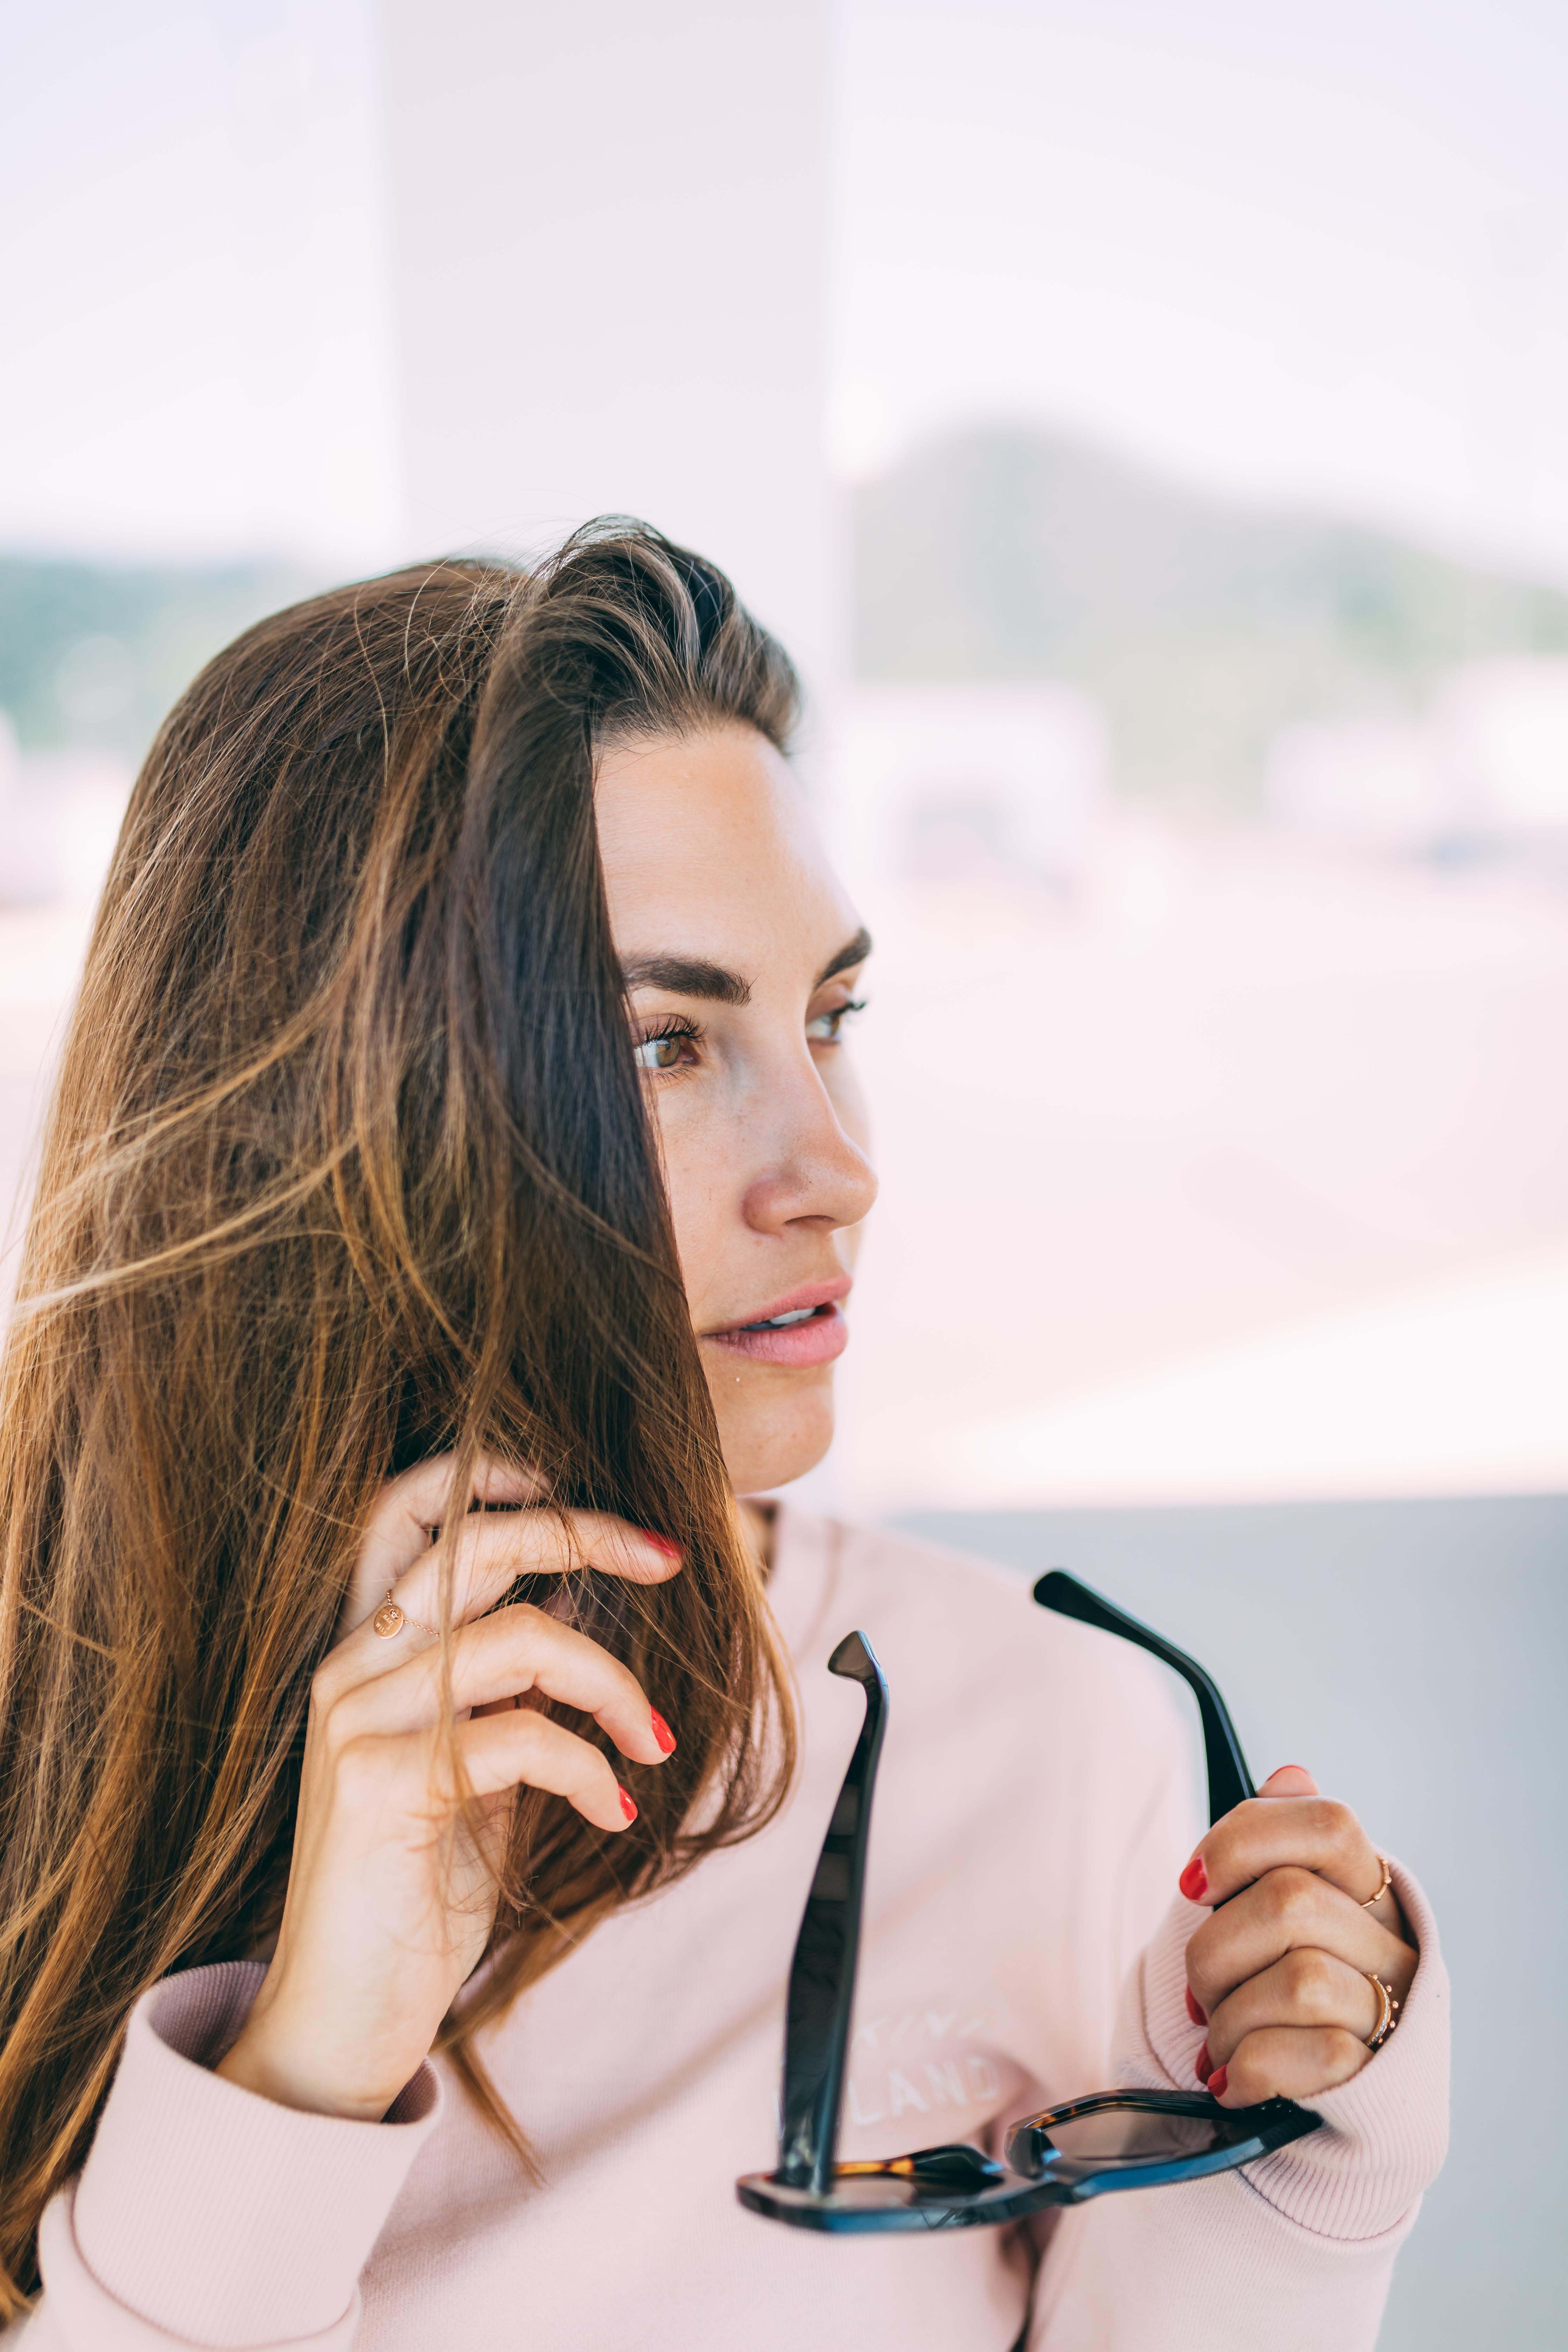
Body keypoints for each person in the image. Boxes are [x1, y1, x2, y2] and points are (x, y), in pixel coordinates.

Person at [0, 527, 1447, 2349]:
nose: (838, 1170)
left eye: (830, 1017)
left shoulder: (1047, 1740)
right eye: (664, 1046)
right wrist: (308, 2060)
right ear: (341, 1105)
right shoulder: (43, 1750)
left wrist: (1313, 2176)